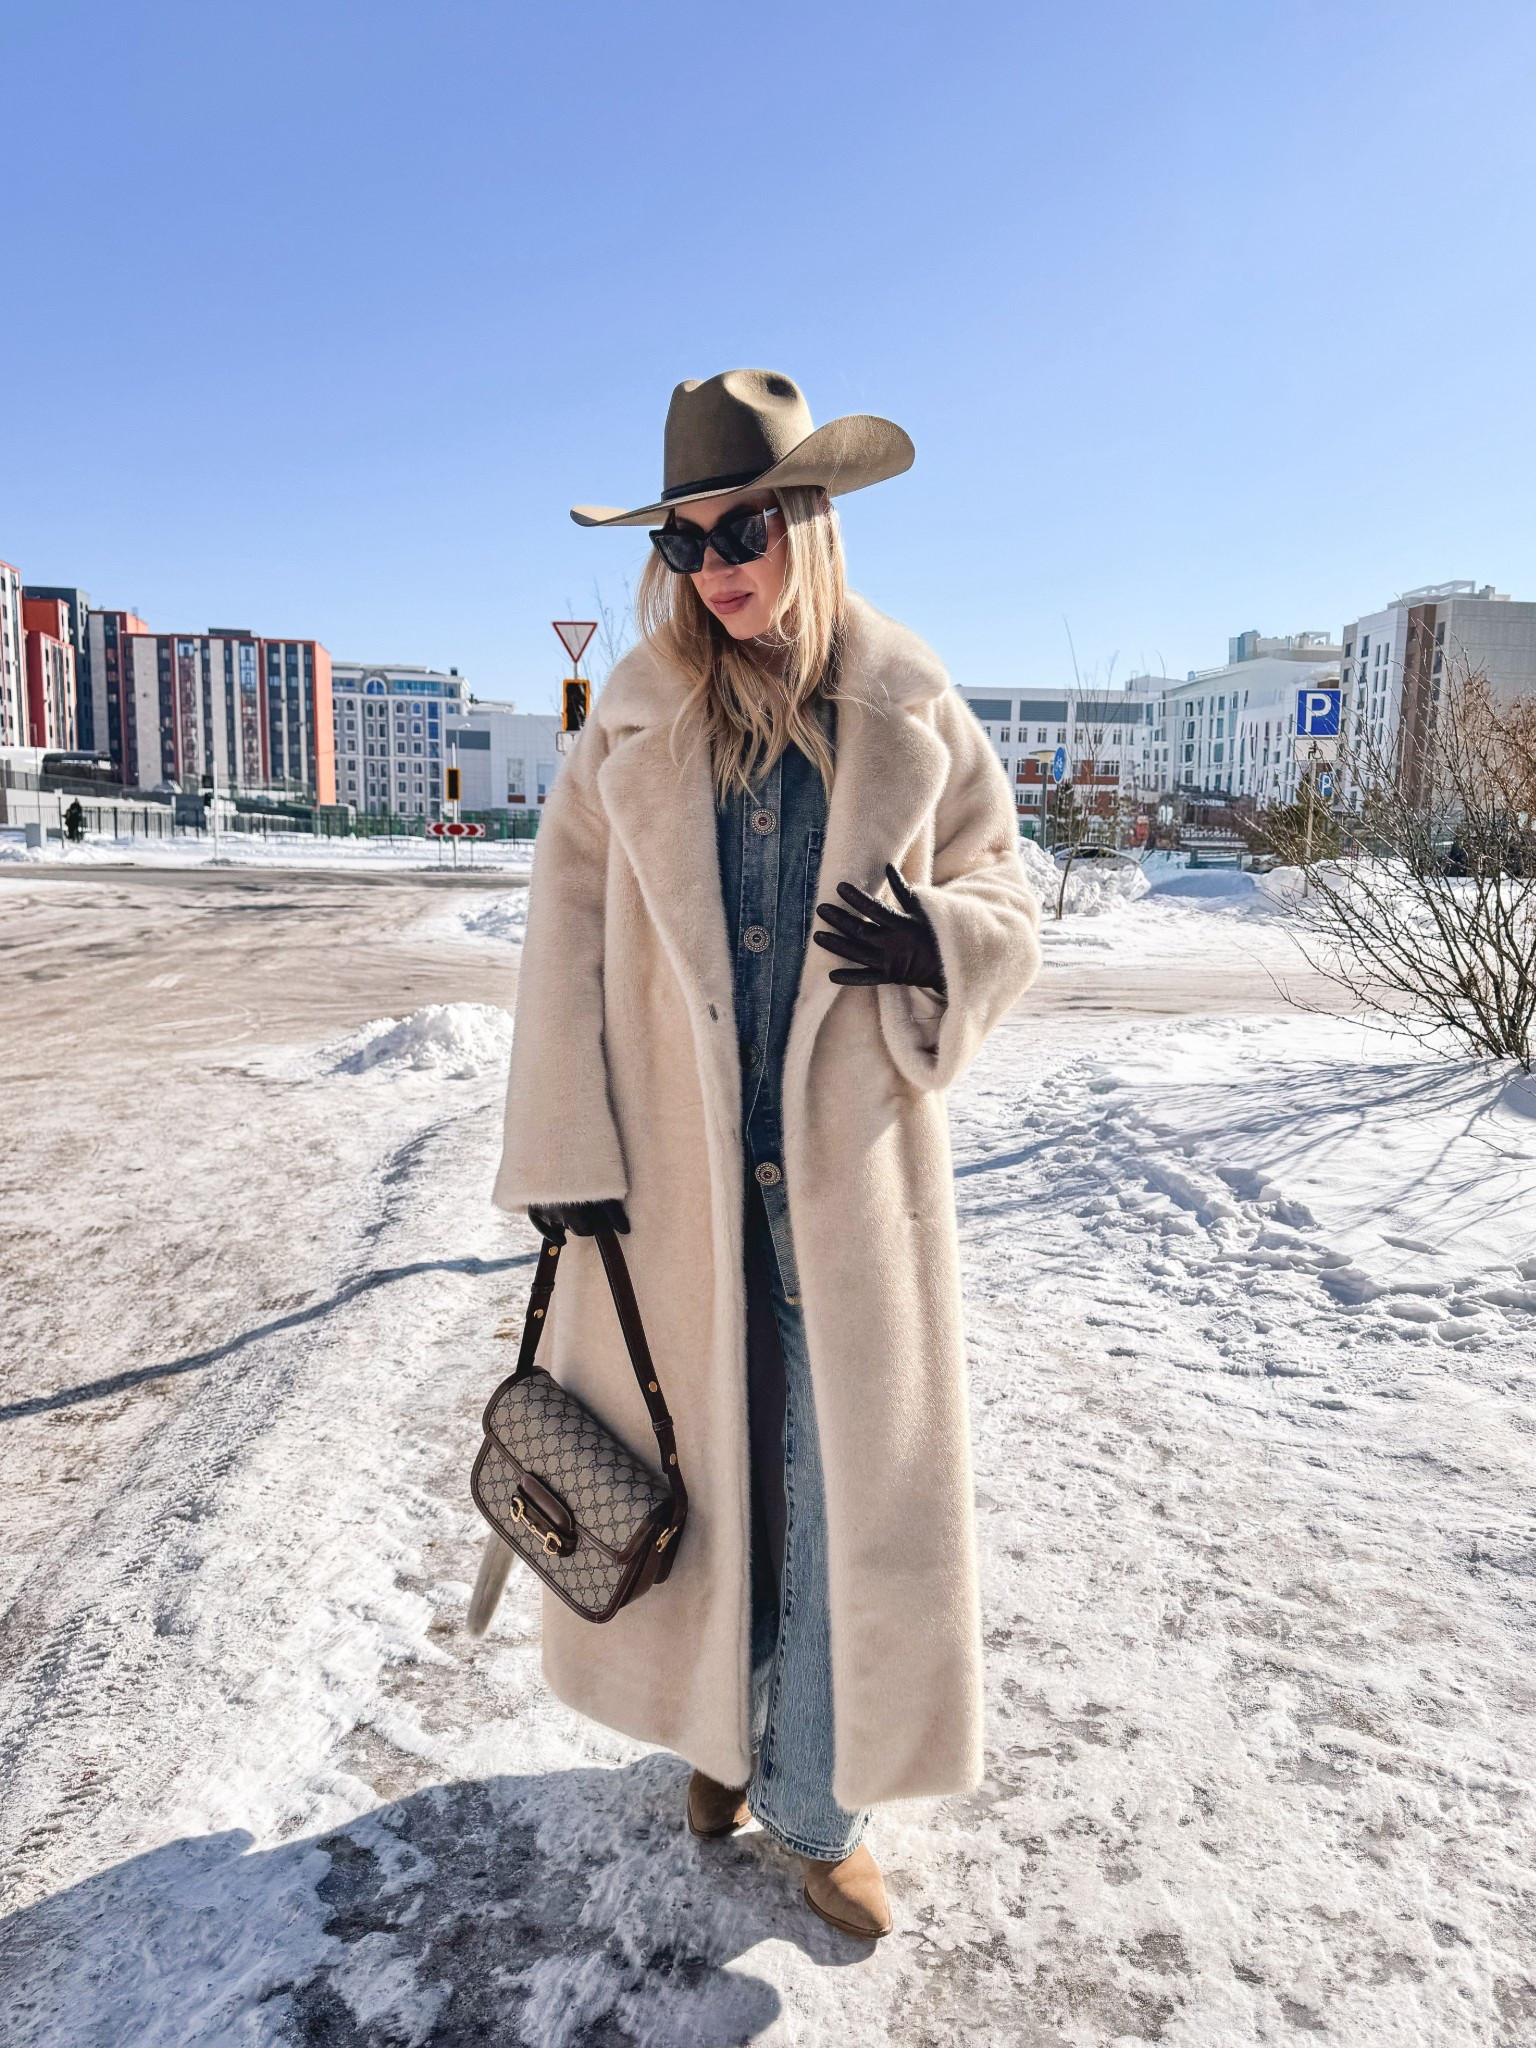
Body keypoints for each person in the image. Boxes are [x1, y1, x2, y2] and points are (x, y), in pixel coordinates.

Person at [492, 369, 1042, 1939]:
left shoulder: (909, 700)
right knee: (698, 1471)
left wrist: (938, 937)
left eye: (744, 527)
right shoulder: (637, 726)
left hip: (849, 1188)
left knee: (834, 1490)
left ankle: (819, 1799)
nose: (717, 565)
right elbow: (564, 948)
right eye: (685, 541)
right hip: (673, 1185)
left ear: (808, 522)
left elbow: (1009, 893)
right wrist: (562, 1152)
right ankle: (721, 1743)